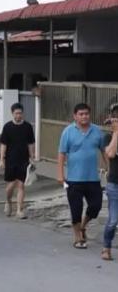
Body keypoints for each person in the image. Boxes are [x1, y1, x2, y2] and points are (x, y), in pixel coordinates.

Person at [58, 103, 105, 249]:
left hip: (93, 178)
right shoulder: (68, 131)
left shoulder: (97, 131)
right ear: (75, 116)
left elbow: (104, 151)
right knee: (76, 209)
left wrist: (109, 169)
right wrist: (60, 174)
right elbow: (61, 154)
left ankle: (83, 226)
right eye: (81, 114)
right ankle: (78, 238)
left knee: (96, 206)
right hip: (73, 179)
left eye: (86, 114)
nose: (84, 116)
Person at [0, 103, 35, 219]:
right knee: (10, 185)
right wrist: (1, 159)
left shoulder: (28, 127)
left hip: (23, 159)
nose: (18, 115)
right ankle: (8, 201)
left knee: (21, 185)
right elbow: (3, 144)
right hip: (10, 159)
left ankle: (20, 209)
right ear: (12, 114)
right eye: (16, 113)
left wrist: (32, 157)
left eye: (20, 113)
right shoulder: (7, 127)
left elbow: (30, 143)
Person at [102, 104, 118, 260]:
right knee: (113, 220)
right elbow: (111, 153)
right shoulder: (108, 137)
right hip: (115, 184)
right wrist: (116, 132)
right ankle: (106, 247)